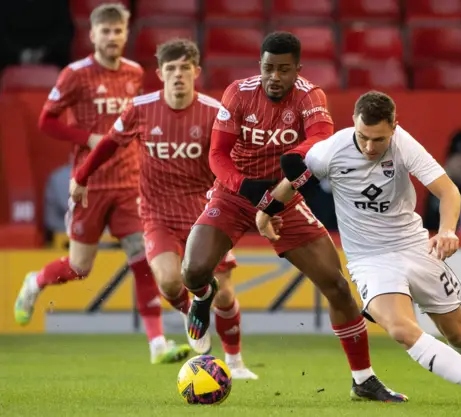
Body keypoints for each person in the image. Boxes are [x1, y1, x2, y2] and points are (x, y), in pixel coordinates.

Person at [181, 32, 407, 402]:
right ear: (260, 66)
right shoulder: (238, 92)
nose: (275, 76)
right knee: (192, 270)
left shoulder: (309, 96)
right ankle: (204, 297)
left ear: (297, 70)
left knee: (336, 286)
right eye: (269, 68)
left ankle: (363, 379)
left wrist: (295, 161)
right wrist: (246, 187)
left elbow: (321, 138)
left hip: (284, 198)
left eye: (284, 70)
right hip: (235, 193)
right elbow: (217, 155)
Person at [256, 91, 461, 408]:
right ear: (353, 122)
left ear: (394, 127)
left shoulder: (404, 145)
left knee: (458, 334)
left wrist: (447, 231)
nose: (368, 147)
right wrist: (266, 212)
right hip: (369, 260)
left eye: (378, 140)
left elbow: (448, 191)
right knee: (402, 330)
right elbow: (292, 180)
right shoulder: (329, 151)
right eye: (363, 137)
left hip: (415, 247)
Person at [68, 39, 257, 379]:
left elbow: (233, 159)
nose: (178, 75)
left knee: (225, 294)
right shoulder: (140, 108)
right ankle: (193, 314)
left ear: (196, 72)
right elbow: (109, 144)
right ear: (159, 74)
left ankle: (236, 362)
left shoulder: (215, 112)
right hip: (157, 215)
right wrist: (81, 176)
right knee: (170, 282)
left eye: (185, 68)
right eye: (171, 69)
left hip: (206, 215)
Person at [13, 3, 190, 365]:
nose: (112, 37)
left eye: (118, 31)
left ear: (126, 34)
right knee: (80, 267)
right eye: (105, 31)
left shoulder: (134, 72)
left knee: (143, 262)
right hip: (90, 184)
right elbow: (47, 122)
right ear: (92, 35)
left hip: (129, 183)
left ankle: (158, 344)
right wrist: (86, 138)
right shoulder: (75, 74)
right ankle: (35, 282)